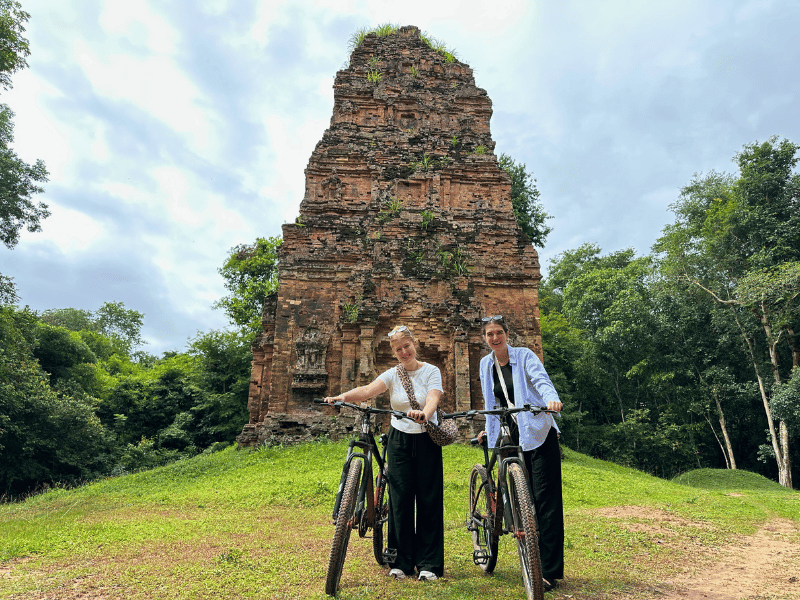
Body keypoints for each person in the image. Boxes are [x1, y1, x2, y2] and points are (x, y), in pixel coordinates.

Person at [324, 324, 444, 582]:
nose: (403, 352)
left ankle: (429, 564)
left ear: (415, 344)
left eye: (407, 346)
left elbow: (434, 397)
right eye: (398, 349)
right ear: (394, 352)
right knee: (399, 499)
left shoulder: (431, 371)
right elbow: (368, 390)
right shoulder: (393, 374)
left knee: (427, 500)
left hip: (426, 440)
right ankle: (401, 560)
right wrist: (340, 397)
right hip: (399, 439)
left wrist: (425, 413)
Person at [477, 315, 564, 592]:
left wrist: (551, 399)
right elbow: (491, 401)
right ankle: (526, 549)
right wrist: (488, 430)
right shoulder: (485, 364)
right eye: (490, 334)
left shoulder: (524, 356)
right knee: (516, 497)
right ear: (485, 338)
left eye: (499, 332)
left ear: (507, 334)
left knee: (544, 499)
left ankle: (548, 571)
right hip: (511, 432)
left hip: (537, 428)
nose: (495, 338)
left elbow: (541, 380)